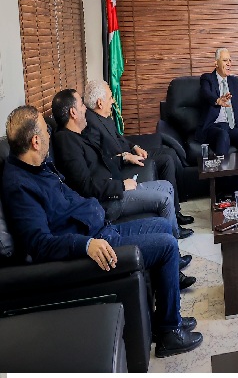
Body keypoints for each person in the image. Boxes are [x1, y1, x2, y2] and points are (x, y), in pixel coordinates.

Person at [2, 106, 203, 357]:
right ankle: (170, 333)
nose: (49, 137)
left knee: (163, 226)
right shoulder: (19, 186)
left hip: (102, 229)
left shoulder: (40, 166)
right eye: (46, 132)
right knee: (167, 246)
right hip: (94, 245)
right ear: (35, 141)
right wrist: (86, 245)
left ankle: (164, 318)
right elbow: (39, 244)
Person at [51, 89, 196, 287]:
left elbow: (102, 160)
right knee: (163, 199)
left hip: (113, 187)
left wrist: (124, 158)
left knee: (165, 186)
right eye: (82, 105)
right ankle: (173, 265)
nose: (86, 109)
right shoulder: (66, 141)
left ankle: (173, 255)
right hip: (107, 201)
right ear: (73, 112)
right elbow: (85, 186)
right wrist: (120, 186)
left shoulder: (79, 135)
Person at [82, 79, 194, 227]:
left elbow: (119, 138)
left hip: (130, 153)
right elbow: (102, 158)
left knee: (170, 153)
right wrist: (125, 157)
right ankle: (175, 216)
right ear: (100, 103)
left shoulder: (103, 116)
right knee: (166, 160)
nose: (113, 101)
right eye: (110, 97)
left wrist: (134, 146)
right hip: (124, 163)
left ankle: (176, 211)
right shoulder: (91, 126)